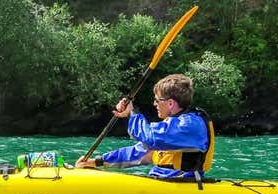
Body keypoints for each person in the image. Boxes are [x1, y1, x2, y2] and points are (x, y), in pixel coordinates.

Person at [75, 74, 214, 183]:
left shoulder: (190, 125)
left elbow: (150, 138)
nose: (154, 104)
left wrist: (131, 113)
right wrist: (96, 162)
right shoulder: (172, 126)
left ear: (170, 103)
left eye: (157, 100)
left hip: (183, 183)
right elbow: (138, 153)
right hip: (162, 180)